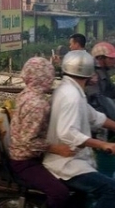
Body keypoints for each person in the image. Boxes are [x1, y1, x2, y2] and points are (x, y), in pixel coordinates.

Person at [44, 50, 115, 208]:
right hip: (66, 163)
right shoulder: (72, 96)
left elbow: (94, 116)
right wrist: (104, 144)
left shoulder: (71, 90)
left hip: (74, 160)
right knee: (111, 190)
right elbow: (68, 133)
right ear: (88, 74)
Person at [8, 57, 76, 208]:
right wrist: (57, 148)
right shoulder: (37, 104)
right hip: (25, 161)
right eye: (50, 75)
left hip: (24, 154)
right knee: (59, 193)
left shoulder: (28, 94)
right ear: (45, 77)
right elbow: (29, 142)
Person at [87, 42, 115, 177]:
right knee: (102, 153)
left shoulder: (104, 73)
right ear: (100, 58)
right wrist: (108, 120)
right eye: (111, 58)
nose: (113, 60)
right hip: (98, 123)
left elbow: (110, 93)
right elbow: (96, 100)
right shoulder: (94, 76)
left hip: (105, 119)